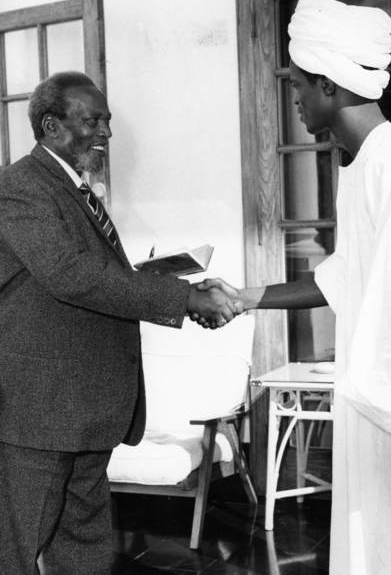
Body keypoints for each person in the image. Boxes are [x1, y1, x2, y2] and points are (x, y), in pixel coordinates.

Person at [196, 0, 391, 574]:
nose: (295, 96)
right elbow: (344, 275)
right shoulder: (365, 162)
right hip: (379, 408)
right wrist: (244, 298)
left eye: (300, 84)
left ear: (331, 86)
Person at [0, 71, 238, 575]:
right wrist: (181, 295)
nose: (107, 133)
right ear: (50, 125)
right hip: (39, 414)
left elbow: (88, 278)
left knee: (81, 548)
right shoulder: (20, 187)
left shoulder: (77, 191)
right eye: (94, 120)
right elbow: (72, 276)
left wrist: (155, 279)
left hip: (86, 409)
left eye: (107, 121)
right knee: (13, 551)